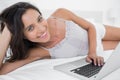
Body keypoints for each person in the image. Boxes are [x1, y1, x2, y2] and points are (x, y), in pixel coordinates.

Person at [0, 2, 120, 75]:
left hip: (95, 33)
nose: (42, 29)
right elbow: (2, 70)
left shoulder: (61, 14)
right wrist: (6, 31)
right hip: (95, 47)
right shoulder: (37, 52)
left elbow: (89, 27)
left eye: (40, 19)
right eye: (30, 28)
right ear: (21, 36)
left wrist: (93, 52)